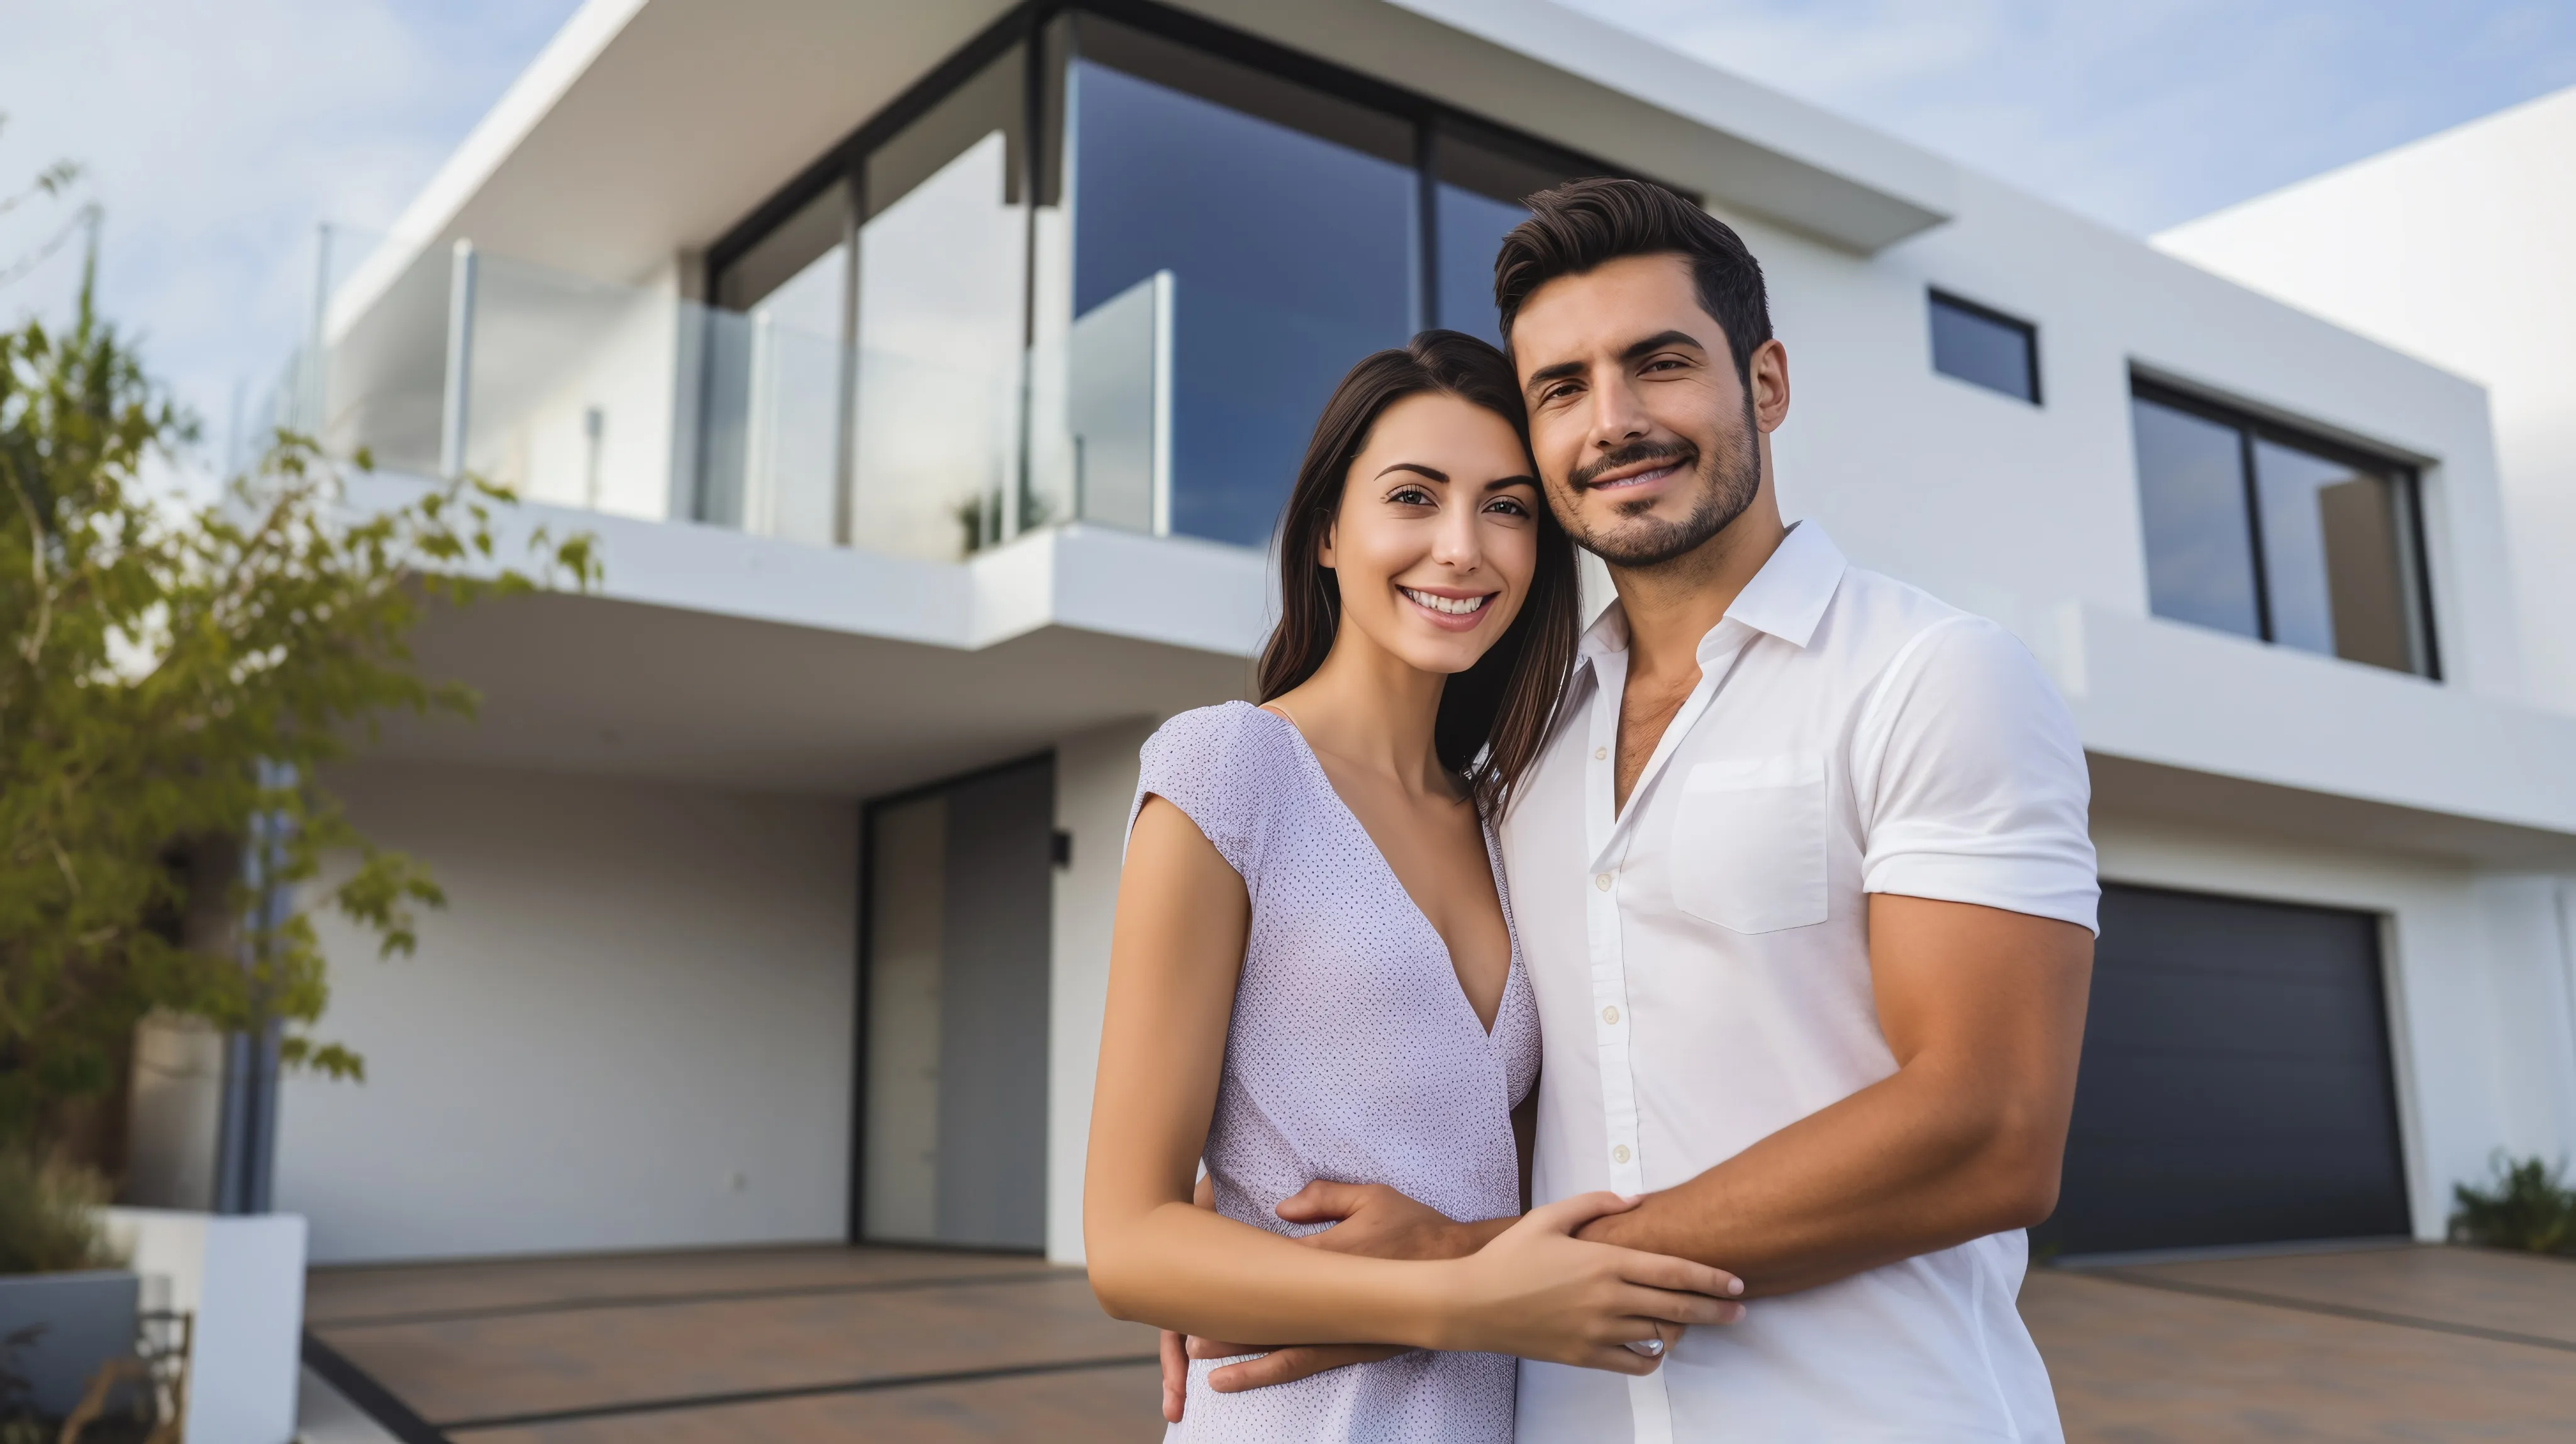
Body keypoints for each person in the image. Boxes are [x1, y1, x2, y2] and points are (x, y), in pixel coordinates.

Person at [1170, 180, 2101, 1440]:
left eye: (1657, 365)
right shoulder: (1524, 750)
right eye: (1559, 388)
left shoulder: (1930, 675)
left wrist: (1459, 1269)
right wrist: (1242, 1247)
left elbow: (1987, 1129)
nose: (1611, 422)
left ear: (1763, 383)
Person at [1082, 330, 1748, 1442]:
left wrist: (1450, 1268)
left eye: (1506, 507)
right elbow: (1129, 1242)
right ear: (1330, 532)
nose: (1462, 548)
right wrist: (1453, 1300)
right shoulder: (1228, 770)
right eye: (1413, 497)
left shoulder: (1512, 817)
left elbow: (1520, 1185)